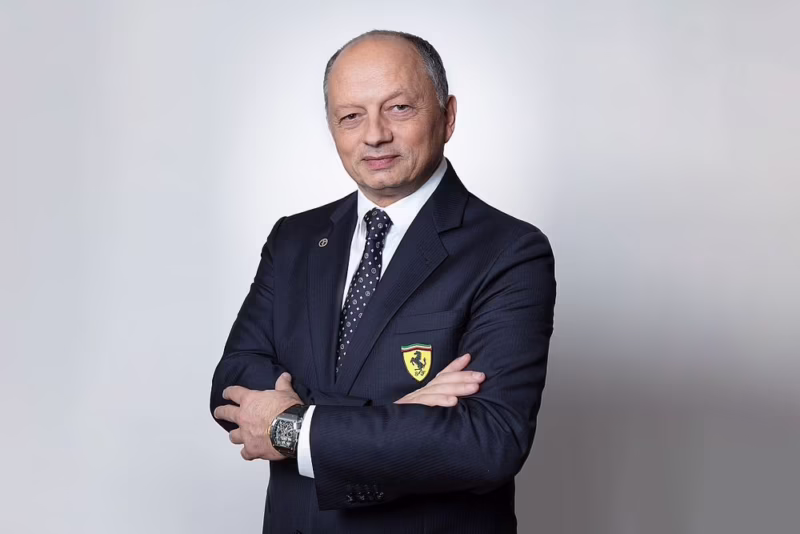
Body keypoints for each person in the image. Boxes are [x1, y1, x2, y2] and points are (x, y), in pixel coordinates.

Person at [210, 29, 556, 534]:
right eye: (351, 116)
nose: (374, 135)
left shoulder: (509, 251)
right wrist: (398, 416)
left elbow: (487, 443)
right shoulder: (294, 239)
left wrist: (294, 428)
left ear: (448, 116)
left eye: (399, 108)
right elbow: (233, 381)